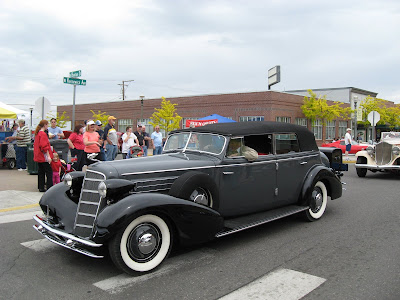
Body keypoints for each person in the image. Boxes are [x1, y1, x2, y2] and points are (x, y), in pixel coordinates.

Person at [34, 120, 53, 192]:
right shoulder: (43, 134)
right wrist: (48, 156)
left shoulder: (38, 133)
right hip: (43, 156)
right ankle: (49, 187)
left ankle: (41, 186)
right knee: (49, 171)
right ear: (45, 125)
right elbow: (44, 146)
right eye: (47, 125)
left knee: (41, 171)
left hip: (39, 155)